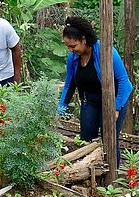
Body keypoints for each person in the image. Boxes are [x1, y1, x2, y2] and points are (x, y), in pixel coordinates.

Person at [57, 16, 133, 164]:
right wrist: (61, 108)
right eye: (68, 47)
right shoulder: (73, 58)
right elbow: (69, 84)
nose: (71, 50)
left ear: (83, 39)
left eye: (73, 46)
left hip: (113, 100)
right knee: (86, 140)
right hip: (90, 101)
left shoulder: (106, 51)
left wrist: (116, 107)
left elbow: (124, 81)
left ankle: (112, 175)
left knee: (109, 139)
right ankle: (88, 173)